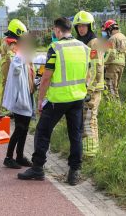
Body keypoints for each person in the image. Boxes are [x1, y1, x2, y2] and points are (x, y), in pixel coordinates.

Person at [18, 17, 90, 186]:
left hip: (58, 99)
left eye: (54, 31)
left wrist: (41, 100)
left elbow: (46, 78)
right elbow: (88, 74)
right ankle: (74, 172)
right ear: (70, 29)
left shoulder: (55, 47)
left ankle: (37, 168)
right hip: (78, 98)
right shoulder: (84, 48)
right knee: (75, 135)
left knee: (43, 131)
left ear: (57, 31)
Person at [72, 11, 104, 157]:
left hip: (91, 90)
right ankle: (87, 151)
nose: (81, 29)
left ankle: (91, 154)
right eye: (78, 26)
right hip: (84, 89)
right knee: (85, 120)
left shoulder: (94, 43)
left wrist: (89, 90)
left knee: (89, 120)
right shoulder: (83, 42)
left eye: (84, 26)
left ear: (90, 26)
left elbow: (96, 68)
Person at [2, 34, 35, 169]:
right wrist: (20, 53)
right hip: (19, 99)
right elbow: (16, 70)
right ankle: (8, 157)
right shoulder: (17, 57)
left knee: (25, 129)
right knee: (19, 128)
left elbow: (29, 76)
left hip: (26, 97)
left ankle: (20, 156)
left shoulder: (26, 58)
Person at [0, 19, 27, 102]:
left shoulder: (5, 39)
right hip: (9, 67)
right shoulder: (13, 44)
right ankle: (8, 108)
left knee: (6, 85)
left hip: (5, 66)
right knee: (11, 87)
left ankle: (5, 106)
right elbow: (14, 59)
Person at [102, 19, 126, 99]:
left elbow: (111, 53)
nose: (106, 33)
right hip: (121, 64)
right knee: (115, 87)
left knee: (111, 88)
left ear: (110, 29)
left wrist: (104, 63)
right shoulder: (123, 37)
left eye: (107, 30)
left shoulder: (112, 39)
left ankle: (115, 107)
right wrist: (124, 62)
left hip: (113, 65)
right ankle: (117, 107)